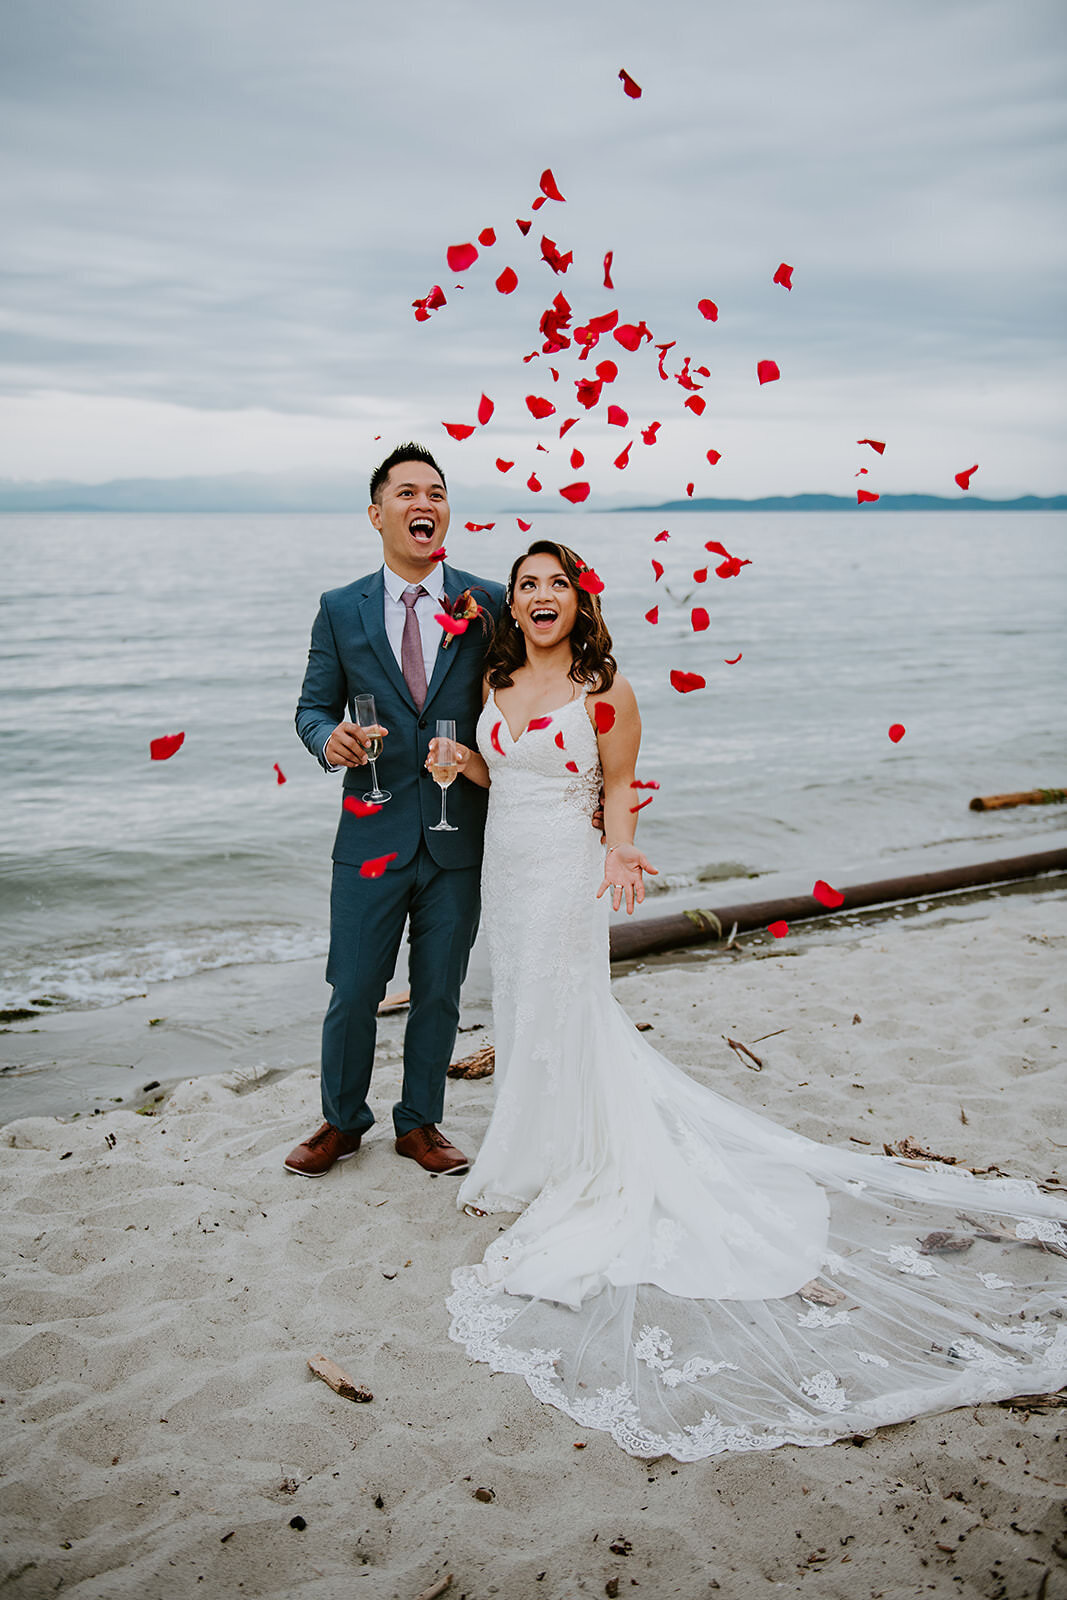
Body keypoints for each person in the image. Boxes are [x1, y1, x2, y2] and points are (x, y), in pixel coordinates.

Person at [439, 538, 1067, 1462]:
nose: (540, 596)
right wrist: (462, 760)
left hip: (568, 876)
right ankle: (527, 1148)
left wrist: (619, 850)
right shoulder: (491, 683)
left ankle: (570, 1159)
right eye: (526, 585)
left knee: (570, 1011)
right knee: (525, 1011)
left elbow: (615, 790)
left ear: (579, 602)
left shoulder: (605, 691)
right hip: (509, 867)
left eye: (556, 585)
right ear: (512, 605)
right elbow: (507, 778)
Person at [286, 444, 505, 1178]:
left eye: (437, 493)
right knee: (352, 988)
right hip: (369, 829)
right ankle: (341, 1122)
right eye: (407, 492)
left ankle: (420, 1124)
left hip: (456, 834)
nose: (425, 503)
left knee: (440, 989)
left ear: (446, 512)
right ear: (377, 514)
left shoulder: (488, 602)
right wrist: (329, 739)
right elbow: (313, 709)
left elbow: (520, 699)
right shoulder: (339, 608)